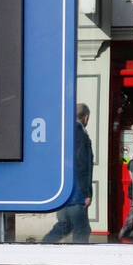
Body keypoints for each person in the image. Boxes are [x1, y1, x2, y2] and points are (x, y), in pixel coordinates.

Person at [41, 101, 93, 242]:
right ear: (86, 117)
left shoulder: (63, 132)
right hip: (77, 194)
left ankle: (44, 245)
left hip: (64, 192)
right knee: (82, 230)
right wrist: (86, 193)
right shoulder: (81, 134)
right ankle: (78, 260)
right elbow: (82, 164)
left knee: (64, 224)